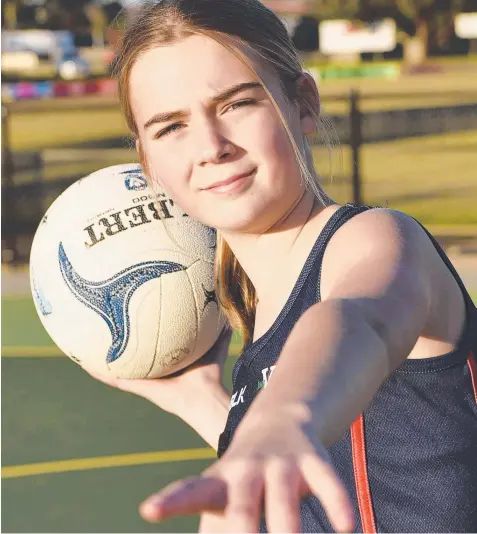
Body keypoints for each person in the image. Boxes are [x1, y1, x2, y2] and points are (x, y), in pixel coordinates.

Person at [85, 0, 477, 532]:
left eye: (235, 104)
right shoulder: (259, 331)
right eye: (170, 127)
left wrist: (284, 415)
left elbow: (358, 321)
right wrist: (203, 402)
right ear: (147, 164)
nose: (210, 147)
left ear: (304, 104)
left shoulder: (372, 240)